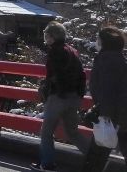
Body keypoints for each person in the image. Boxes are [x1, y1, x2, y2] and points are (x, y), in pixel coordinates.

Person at [32, 21, 90, 171]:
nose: (45, 38)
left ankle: (47, 163)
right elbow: (81, 75)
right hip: (74, 97)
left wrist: (48, 86)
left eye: (47, 35)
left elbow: (57, 75)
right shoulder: (72, 50)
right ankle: (95, 159)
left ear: (53, 36)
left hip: (59, 96)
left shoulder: (55, 51)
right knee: (73, 132)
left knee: (46, 132)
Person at [81, 27, 127, 172]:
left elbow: (107, 89)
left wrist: (104, 116)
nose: (96, 42)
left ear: (104, 43)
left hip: (113, 115)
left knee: (97, 155)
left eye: (98, 39)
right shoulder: (119, 59)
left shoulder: (105, 61)